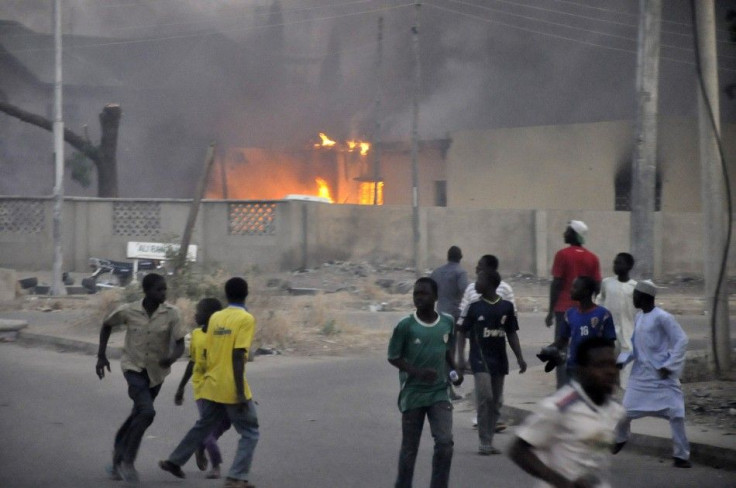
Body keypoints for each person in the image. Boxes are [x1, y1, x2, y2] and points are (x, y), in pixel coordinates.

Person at [160, 277, 260, 488]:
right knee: (250, 432)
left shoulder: (215, 319)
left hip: (211, 385)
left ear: (226, 294)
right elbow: (237, 355)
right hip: (231, 386)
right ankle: (236, 477)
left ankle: (174, 461)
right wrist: (241, 393)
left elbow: (210, 353)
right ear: (246, 293)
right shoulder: (246, 319)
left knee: (203, 425)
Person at [95, 273, 187, 484]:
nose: (163, 293)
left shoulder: (172, 314)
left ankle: (116, 459)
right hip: (133, 368)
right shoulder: (129, 310)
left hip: (156, 373)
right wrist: (101, 356)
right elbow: (107, 324)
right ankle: (128, 461)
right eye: (159, 289)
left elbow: (181, 343)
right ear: (147, 291)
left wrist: (171, 359)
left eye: (165, 289)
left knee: (138, 414)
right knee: (147, 412)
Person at [508, 337, 623, 488]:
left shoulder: (614, 409)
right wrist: (562, 482)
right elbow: (518, 450)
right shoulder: (560, 407)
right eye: (600, 366)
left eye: (613, 365)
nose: (610, 372)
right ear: (581, 371)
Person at [388, 277, 463, 488]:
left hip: (439, 392)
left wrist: (454, 370)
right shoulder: (405, 326)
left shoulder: (447, 322)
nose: (419, 298)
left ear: (436, 297)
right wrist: (418, 372)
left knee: (445, 443)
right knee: (410, 448)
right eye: (416, 294)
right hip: (413, 393)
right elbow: (393, 357)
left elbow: (447, 348)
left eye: (424, 293)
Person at [613, 280, 692, 468]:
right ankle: (620, 438)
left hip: (662, 377)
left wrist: (670, 365)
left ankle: (682, 456)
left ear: (645, 297)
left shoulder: (663, 317)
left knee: (677, 415)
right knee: (624, 413)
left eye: (636, 295)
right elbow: (635, 348)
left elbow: (682, 340)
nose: (633, 299)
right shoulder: (639, 317)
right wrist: (621, 361)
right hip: (640, 378)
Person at [456, 270, 527, 455]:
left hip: (499, 359)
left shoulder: (506, 307)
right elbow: (462, 331)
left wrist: (519, 357)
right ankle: (484, 441)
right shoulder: (473, 307)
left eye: (479, 279)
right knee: (485, 396)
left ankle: (489, 439)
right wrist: (461, 357)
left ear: (489, 284)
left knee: (495, 401)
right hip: (479, 359)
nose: (475, 283)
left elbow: (511, 333)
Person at [174, 297, 231, 480]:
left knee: (227, 422)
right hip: (202, 387)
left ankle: (202, 444)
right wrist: (181, 387)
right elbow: (192, 362)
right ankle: (215, 464)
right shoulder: (197, 334)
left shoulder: (222, 335)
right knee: (207, 425)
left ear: (211, 316)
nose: (195, 314)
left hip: (221, 385)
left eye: (199, 311)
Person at [458, 254, 516, 430]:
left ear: (491, 270)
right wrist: (461, 354)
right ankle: (481, 419)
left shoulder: (506, 290)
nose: (476, 269)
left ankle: (493, 419)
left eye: (480, 266)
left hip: (497, 345)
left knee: (496, 389)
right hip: (478, 346)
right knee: (483, 386)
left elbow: (512, 320)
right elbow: (462, 318)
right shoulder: (470, 290)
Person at [545, 220, 602, 388]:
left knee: (561, 349)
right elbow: (597, 286)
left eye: (567, 231)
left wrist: (550, 311)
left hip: (563, 310)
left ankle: (563, 388)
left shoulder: (562, 255)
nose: (564, 234)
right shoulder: (593, 258)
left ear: (574, 235)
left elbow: (557, 283)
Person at [549, 276, 616, 382]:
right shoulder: (569, 314)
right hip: (573, 368)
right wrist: (550, 349)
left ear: (586, 291)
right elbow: (563, 340)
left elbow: (610, 344)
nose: (571, 290)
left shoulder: (603, 314)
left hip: (594, 370)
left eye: (575, 287)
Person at [598, 253, 637, 389]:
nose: (615, 266)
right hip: (609, 330)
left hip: (628, 330)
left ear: (629, 266)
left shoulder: (634, 287)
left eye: (619, 263)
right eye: (615, 262)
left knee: (627, 359)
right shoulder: (607, 283)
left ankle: (626, 391)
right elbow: (600, 300)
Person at [430, 245, 469, 321]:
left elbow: (430, 292)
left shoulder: (436, 272)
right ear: (460, 257)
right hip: (455, 314)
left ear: (447, 257)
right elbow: (465, 291)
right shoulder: (461, 272)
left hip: (440, 313)